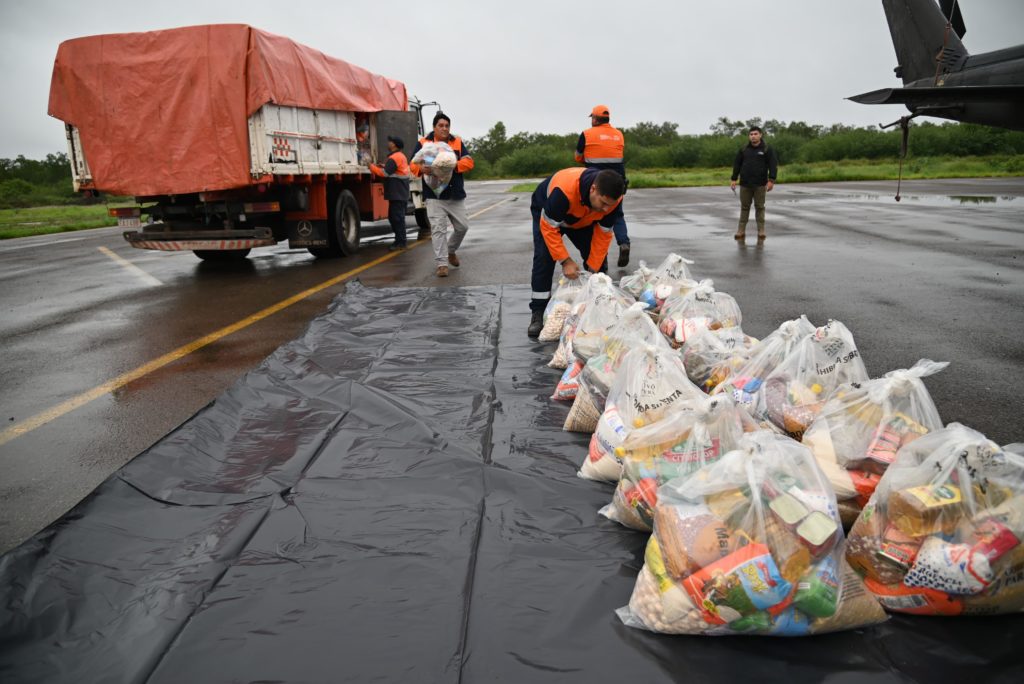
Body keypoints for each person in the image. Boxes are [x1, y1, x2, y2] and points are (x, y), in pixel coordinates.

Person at [527, 167, 625, 337]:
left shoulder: (612, 201)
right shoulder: (563, 192)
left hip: (583, 219)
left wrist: (593, 268)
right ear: (593, 189)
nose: (605, 210)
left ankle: (596, 308)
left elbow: (603, 235)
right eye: (603, 203)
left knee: (599, 266)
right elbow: (549, 228)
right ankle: (538, 312)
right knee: (544, 258)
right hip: (550, 214)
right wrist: (565, 260)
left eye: (609, 206)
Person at [410, 112, 475, 277]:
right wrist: (421, 169)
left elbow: (469, 162)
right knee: (438, 230)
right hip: (434, 194)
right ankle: (442, 264)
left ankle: (451, 250)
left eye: (447, 126)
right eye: (441, 125)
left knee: (462, 227)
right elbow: (412, 164)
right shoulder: (424, 143)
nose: (444, 128)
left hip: (455, 193)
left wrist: (452, 164)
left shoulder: (457, 141)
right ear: (434, 127)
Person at [576, 104, 631, 267]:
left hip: (597, 183)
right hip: (617, 182)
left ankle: (601, 259)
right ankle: (624, 243)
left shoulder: (586, 134)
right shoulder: (619, 135)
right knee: (617, 214)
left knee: (595, 220)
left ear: (594, 118)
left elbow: (578, 157)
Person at [730, 126, 778, 243]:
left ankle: (761, 231)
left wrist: (771, 180)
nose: (753, 136)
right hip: (745, 184)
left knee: (760, 208)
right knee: (744, 208)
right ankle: (741, 231)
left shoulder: (767, 149)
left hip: (760, 184)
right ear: (749, 136)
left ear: (760, 135)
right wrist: (734, 179)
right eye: (751, 134)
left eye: (755, 134)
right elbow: (737, 164)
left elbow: (773, 165)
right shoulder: (743, 149)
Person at [369, 135, 411, 250]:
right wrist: (384, 166)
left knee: (396, 218)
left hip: (397, 193)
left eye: (390, 142)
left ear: (394, 145)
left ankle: (401, 242)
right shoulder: (400, 156)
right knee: (395, 218)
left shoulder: (395, 158)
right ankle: (400, 241)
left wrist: (371, 167)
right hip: (400, 193)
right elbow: (393, 170)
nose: (388, 143)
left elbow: (385, 174)